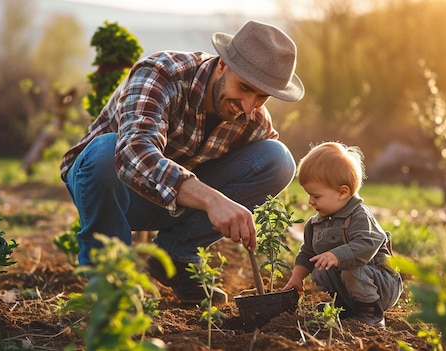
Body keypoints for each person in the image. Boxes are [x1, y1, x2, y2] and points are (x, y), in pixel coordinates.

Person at [60, 20, 304, 303]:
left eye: (262, 96)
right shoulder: (162, 74)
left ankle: (176, 255)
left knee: (278, 159)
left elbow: (263, 170)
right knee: (105, 152)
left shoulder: (252, 118)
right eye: (244, 88)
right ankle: (110, 284)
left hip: (173, 204)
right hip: (112, 191)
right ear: (222, 64)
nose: (248, 107)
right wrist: (213, 200)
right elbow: (133, 154)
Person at [282, 142, 403, 327]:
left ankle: (371, 314)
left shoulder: (359, 216)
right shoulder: (315, 224)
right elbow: (307, 253)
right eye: (309, 195)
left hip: (381, 286)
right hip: (351, 283)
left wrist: (336, 255)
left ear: (342, 192)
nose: (310, 201)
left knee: (351, 266)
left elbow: (367, 244)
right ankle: (346, 306)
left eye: (316, 196)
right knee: (319, 266)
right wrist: (296, 278)